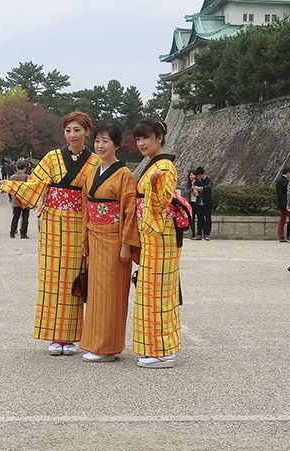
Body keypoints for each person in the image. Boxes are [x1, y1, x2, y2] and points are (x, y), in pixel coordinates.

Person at [1, 111, 102, 357]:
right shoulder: (52, 158)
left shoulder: (95, 162)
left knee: (73, 278)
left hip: (79, 223)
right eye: (68, 130)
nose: (72, 135)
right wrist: (10, 185)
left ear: (87, 132)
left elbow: (98, 194)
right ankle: (55, 336)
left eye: (77, 130)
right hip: (53, 224)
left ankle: (70, 337)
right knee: (52, 278)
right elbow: (35, 186)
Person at [77, 123, 138, 363]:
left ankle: (108, 346)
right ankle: (94, 342)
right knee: (96, 293)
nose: (100, 146)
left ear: (117, 145)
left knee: (111, 293)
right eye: (98, 141)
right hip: (95, 235)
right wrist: (85, 239)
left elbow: (129, 211)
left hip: (114, 238)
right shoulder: (92, 172)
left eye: (106, 141)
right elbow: (86, 208)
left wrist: (126, 244)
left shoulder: (125, 175)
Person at [131, 118, 182, 368]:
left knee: (159, 290)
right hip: (153, 235)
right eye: (138, 139)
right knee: (152, 289)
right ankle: (158, 346)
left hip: (161, 235)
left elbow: (163, 201)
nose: (141, 143)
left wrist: (151, 185)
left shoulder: (165, 167)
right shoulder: (154, 164)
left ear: (159, 138)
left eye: (146, 138)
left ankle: (162, 350)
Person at [9, 162, 31, 239]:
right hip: (25, 199)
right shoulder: (27, 177)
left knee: (15, 216)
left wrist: (10, 197)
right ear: (24, 168)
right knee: (25, 217)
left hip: (16, 199)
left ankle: (12, 232)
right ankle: (23, 233)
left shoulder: (12, 177)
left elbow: (10, 189)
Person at [192, 167, 213, 240]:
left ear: (203, 174)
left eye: (200, 175)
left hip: (207, 203)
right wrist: (195, 192)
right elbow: (195, 193)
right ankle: (199, 234)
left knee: (207, 218)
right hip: (199, 203)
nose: (199, 177)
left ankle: (207, 234)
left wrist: (200, 188)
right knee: (200, 219)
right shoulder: (196, 182)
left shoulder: (208, 180)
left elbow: (209, 187)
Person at [274, 166, 290, 242]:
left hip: (280, 202)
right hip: (286, 203)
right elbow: (288, 193)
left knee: (282, 220)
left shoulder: (278, 181)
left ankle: (281, 235)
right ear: (288, 173)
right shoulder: (287, 182)